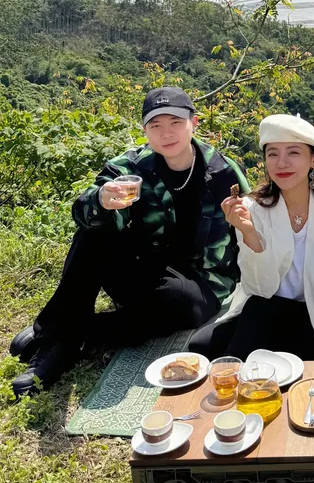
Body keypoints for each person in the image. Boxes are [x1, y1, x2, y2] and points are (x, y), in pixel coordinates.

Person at [10, 87, 249, 398]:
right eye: (156, 125)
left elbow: (251, 229)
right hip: (147, 268)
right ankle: (59, 343)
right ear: (145, 130)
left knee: (182, 304)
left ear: (194, 123)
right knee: (95, 229)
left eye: (176, 123)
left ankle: (72, 332)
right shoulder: (132, 168)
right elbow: (82, 211)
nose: (166, 133)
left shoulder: (223, 173)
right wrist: (101, 200)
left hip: (201, 283)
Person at [189, 114, 314, 361]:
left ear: (313, 159)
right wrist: (249, 233)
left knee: (259, 359)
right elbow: (259, 288)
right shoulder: (253, 210)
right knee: (200, 346)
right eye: (273, 154)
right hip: (264, 307)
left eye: (293, 152)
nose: (281, 163)